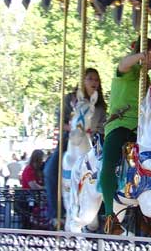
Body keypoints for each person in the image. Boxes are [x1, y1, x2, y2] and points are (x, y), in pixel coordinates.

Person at [100, 37, 151, 235]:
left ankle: (148, 216)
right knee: (109, 161)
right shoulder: (127, 73)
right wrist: (139, 56)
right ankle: (110, 215)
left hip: (140, 129)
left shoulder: (147, 81)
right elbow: (123, 63)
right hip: (120, 125)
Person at [43, 67, 107, 226]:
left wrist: (93, 132)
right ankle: (56, 212)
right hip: (70, 141)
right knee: (50, 171)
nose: (94, 82)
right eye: (90, 79)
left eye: (96, 79)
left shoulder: (100, 107)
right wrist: (73, 128)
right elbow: (60, 121)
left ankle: (104, 213)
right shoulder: (71, 100)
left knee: (106, 171)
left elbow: (102, 126)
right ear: (83, 81)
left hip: (91, 143)